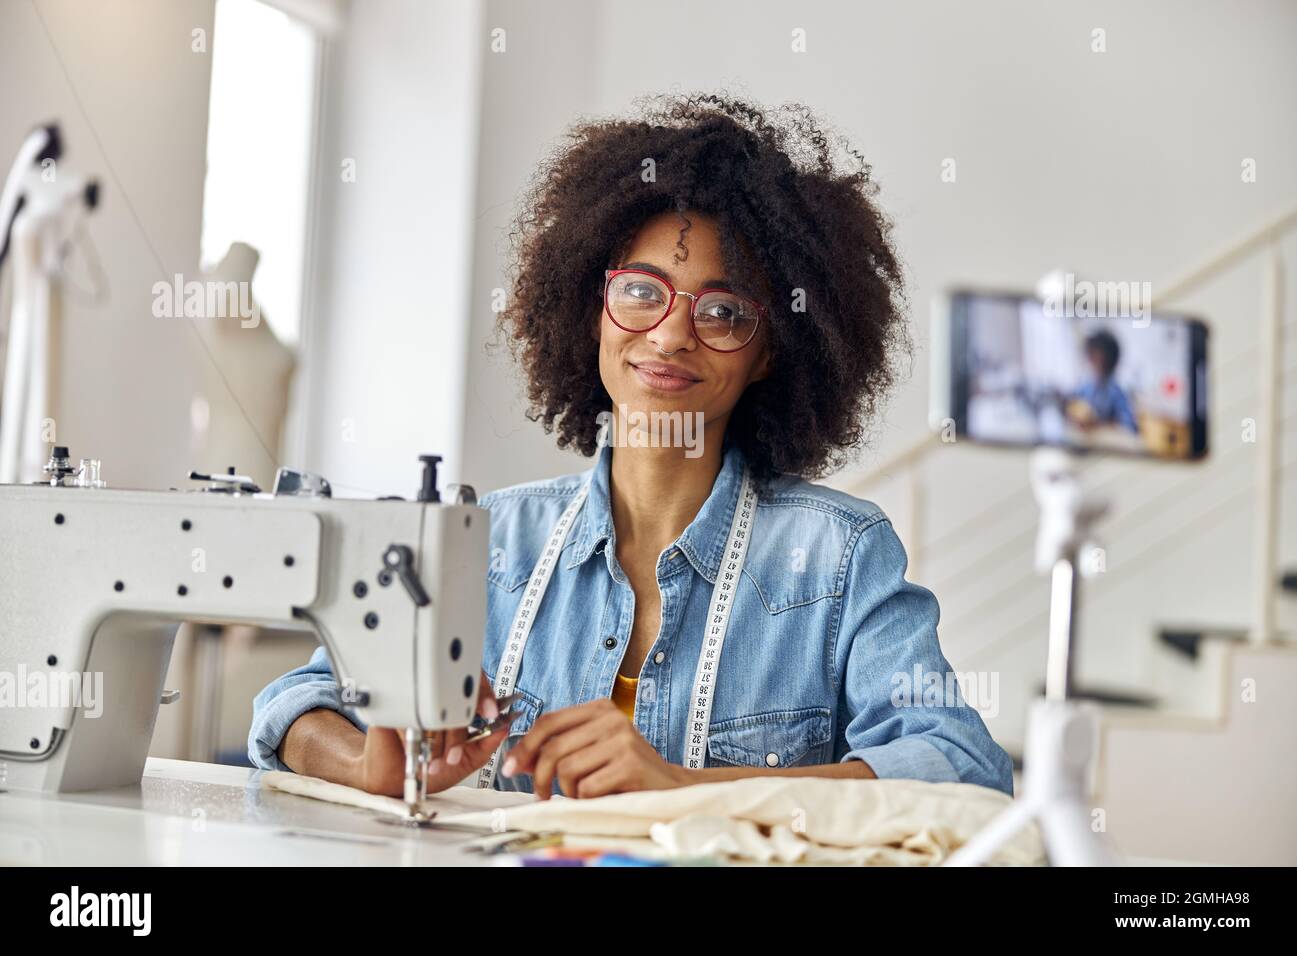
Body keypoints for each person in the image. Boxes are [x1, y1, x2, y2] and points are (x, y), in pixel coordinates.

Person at [248, 93, 1013, 800]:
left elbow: (961, 766)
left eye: (722, 310)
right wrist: (365, 765)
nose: (672, 333)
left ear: (770, 353)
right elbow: (295, 703)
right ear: (596, 311)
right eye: (642, 292)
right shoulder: (488, 543)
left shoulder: (839, 555)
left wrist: (685, 787)